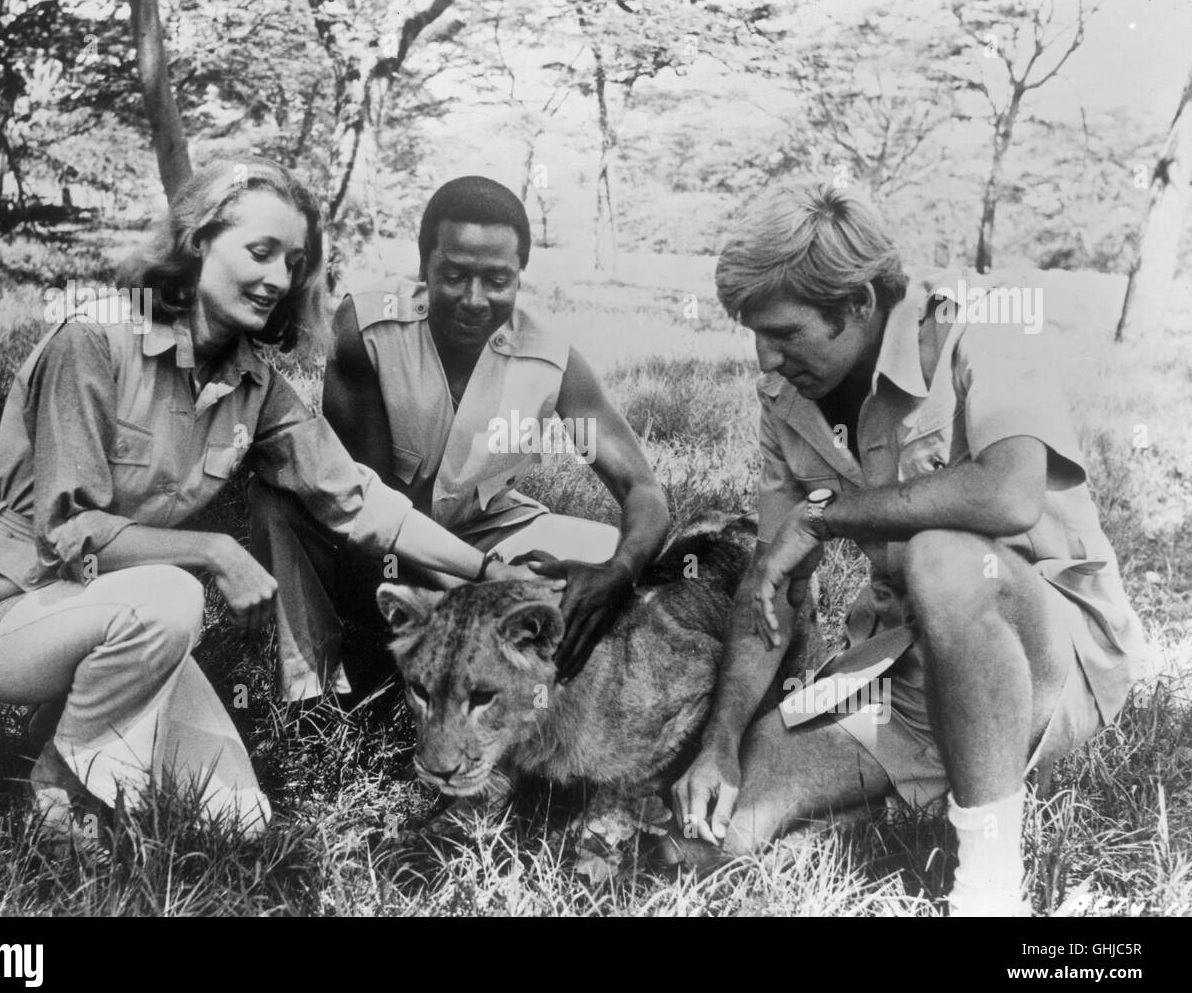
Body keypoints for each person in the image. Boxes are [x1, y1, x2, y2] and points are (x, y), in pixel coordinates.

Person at [0, 158, 537, 844]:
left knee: (237, 820)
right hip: (5, 614)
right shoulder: (92, 338)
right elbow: (67, 532)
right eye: (260, 251)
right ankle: (58, 785)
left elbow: (358, 500)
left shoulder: (256, 384)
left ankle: (75, 712)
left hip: (128, 624)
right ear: (197, 242)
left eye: (294, 261)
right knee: (171, 597)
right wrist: (212, 551)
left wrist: (489, 575)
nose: (279, 278)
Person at [671, 181, 1151, 915]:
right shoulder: (784, 399)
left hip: (1052, 656)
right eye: (754, 334)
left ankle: (989, 890)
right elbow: (772, 590)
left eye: (784, 333)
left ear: (859, 304)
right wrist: (721, 741)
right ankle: (933, 786)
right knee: (722, 819)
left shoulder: (979, 322)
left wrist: (826, 517)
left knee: (944, 558)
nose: (766, 360)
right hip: (904, 669)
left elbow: (1009, 493)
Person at [250, 176, 670, 701]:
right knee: (276, 502)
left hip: (484, 532)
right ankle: (314, 687)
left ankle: (543, 681)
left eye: (497, 279)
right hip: (368, 545)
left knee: (622, 557)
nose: (474, 300)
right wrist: (490, 581)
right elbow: (369, 516)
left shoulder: (551, 359)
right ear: (424, 265)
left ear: (521, 275)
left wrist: (619, 572)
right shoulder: (367, 328)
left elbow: (644, 492)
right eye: (453, 275)